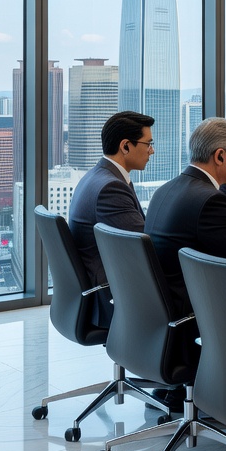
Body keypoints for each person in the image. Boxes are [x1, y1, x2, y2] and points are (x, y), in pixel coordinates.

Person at [143, 117, 226, 315]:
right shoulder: (212, 201)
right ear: (220, 156)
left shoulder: (164, 189)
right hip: (194, 312)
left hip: (160, 309)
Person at [68, 110, 153, 326]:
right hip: (108, 297)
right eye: (148, 144)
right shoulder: (111, 188)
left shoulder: (97, 176)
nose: (151, 151)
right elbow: (142, 248)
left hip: (99, 286)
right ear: (125, 146)